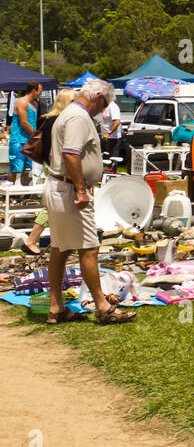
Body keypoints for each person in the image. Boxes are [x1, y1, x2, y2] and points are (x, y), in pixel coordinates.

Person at [44, 79, 136, 325]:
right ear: (96, 96)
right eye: (104, 104)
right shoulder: (77, 117)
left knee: (60, 248)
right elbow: (71, 154)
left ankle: (56, 308)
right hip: (70, 190)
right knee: (89, 247)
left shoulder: (70, 113)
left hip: (61, 187)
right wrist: (81, 190)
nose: (104, 110)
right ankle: (102, 306)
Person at [21, 90, 74, 255]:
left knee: (60, 203)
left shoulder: (50, 119)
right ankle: (32, 240)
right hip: (58, 166)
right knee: (55, 204)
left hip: (50, 164)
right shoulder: (60, 120)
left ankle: (61, 241)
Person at [8, 82, 41, 185]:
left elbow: (33, 121)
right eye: (40, 91)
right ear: (34, 90)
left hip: (29, 140)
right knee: (15, 168)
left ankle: (25, 194)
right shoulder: (21, 102)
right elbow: (24, 123)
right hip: (18, 140)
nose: (41, 93)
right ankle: (9, 193)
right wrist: (36, 135)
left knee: (28, 169)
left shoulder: (34, 103)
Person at [97, 93, 123, 160]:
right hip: (105, 137)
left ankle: (113, 169)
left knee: (112, 158)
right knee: (105, 157)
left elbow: (117, 121)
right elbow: (104, 121)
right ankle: (106, 170)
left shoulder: (113, 107)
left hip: (113, 138)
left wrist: (109, 133)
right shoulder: (105, 107)